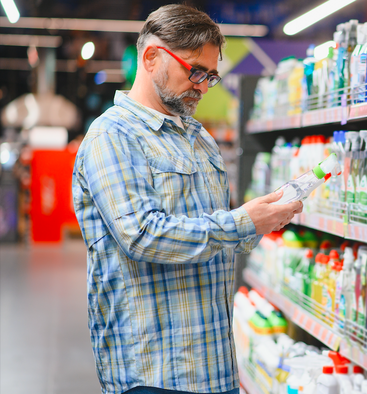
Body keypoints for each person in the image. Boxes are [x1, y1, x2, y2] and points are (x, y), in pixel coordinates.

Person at [71, 5, 301, 394]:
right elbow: (142, 235)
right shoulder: (112, 137)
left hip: (213, 367)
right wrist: (241, 222)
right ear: (151, 57)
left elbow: (214, 237)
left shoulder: (200, 139)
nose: (201, 85)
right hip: (153, 370)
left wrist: (265, 217)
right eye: (194, 70)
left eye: (210, 76)